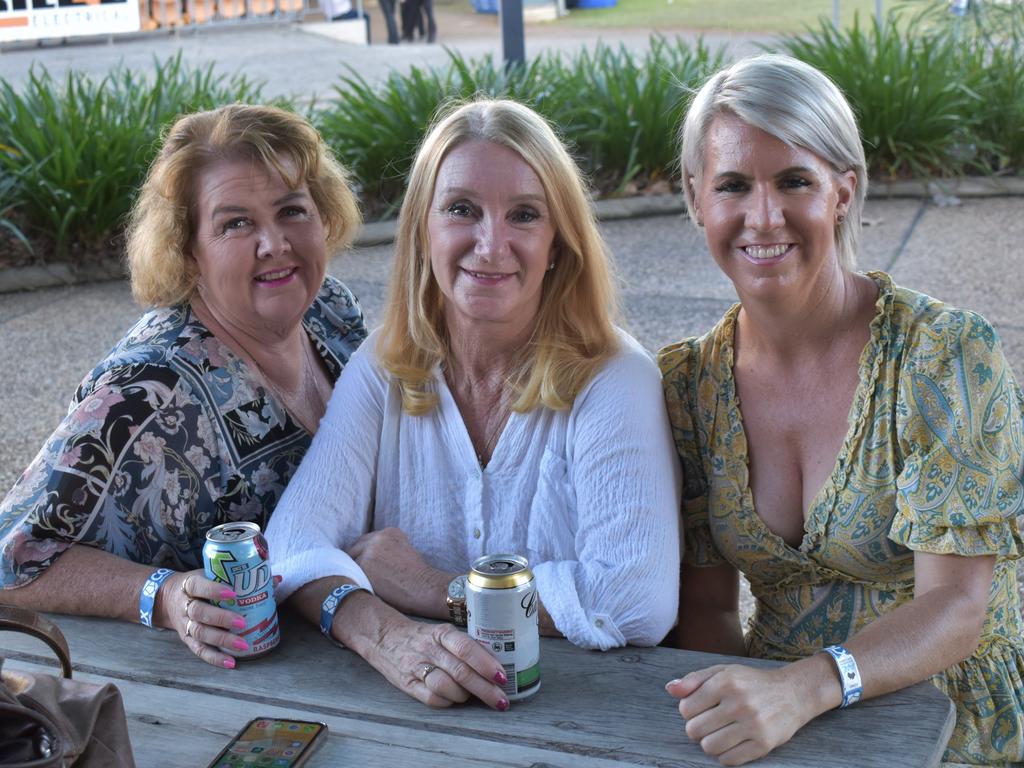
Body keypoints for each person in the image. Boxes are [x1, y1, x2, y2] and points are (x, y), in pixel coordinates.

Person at [659, 53, 1024, 766]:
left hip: (953, 721)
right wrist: (729, 717)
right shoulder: (689, 387)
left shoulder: (944, 356)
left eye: (795, 180)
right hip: (781, 725)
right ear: (697, 198)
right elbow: (706, 608)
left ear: (843, 191)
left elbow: (955, 608)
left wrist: (807, 688)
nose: (763, 216)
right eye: (733, 185)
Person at [265, 98, 681, 712]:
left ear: (559, 243)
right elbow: (292, 546)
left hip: (589, 721)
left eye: (524, 215)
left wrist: (435, 591)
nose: (490, 246)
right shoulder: (386, 366)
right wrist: (385, 633)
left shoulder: (613, 377)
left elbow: (633, 601)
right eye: (462, 209)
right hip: (408, 721)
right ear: (422, 231)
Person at [0, 104, 367, 671]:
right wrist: (162, 596)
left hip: (342, 642)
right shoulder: (143, 389)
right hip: (206, 694)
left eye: (292, 210)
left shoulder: (329, 311)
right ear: (188, 249)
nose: (274, 243)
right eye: (235, 223)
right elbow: (10, 561)